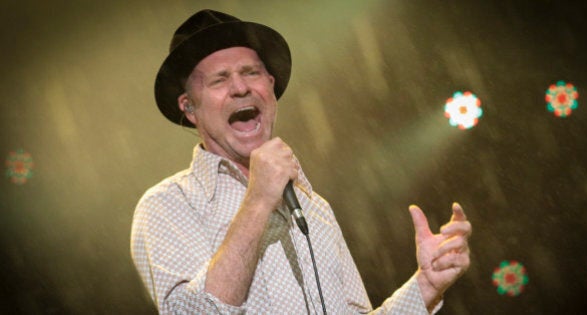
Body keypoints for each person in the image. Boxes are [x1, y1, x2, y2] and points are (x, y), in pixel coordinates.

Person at [131, 9, 472, 314]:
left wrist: (427, 285)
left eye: (251, 72)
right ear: (189, 108)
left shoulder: (315, 208)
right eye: (220, 79)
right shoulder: (167, 204)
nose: (240, 88)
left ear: (271, 87)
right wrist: (259, 200)